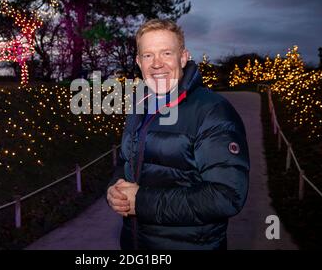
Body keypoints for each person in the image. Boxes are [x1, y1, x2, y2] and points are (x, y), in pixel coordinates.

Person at [106, 19, 250, 250]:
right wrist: (115, 188)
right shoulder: (140, 104)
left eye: (166, 53)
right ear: (138, 62)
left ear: (183, 57)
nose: (157, 64)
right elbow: (126, 159)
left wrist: (141, 201)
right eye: (148, 55)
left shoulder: (212, 110)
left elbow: (227, 196)